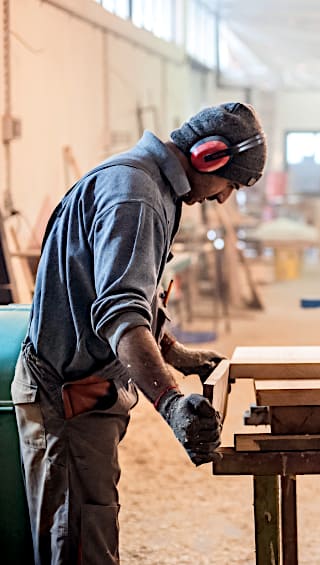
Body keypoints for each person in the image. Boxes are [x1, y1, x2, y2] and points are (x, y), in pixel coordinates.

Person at [12, 102, 267, 563]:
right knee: (80, 542)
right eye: (231, 183)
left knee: (89, 527)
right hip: (67, 395)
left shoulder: (151, 185)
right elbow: (119, 312)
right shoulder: (138, 195)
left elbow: (128, 288)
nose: (225, 198)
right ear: (209, 156)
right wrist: (170, 403)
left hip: (84, 388)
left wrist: (172, 351)